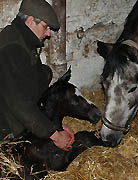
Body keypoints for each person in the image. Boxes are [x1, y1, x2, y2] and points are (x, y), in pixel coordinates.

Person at [0, 0, 74, 151]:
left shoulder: (24, 40)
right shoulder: (12, 48)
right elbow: (20, 103)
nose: (48, 34)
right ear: (30, 21)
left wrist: (55, 125)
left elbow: (33, 93)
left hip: (18, 118)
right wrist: (55, 135)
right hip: (6, 127)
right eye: (45, 27)